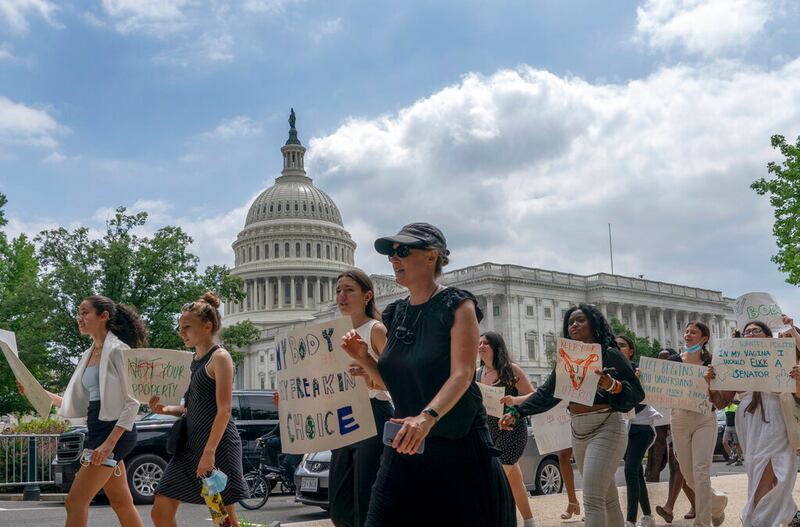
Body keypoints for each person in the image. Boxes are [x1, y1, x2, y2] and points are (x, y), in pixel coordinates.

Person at [346, 223, 515, 527]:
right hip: (405, 442)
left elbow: (462, 374)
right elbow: (396, 383)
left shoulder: (457, 305)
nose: (394, 259)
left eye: (403, 251)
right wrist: (366, 361)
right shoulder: (395, 313)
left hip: (455, 442)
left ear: (431, 256)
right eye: (391, 254)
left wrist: (427, 417)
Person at [500, 303, 645, 527]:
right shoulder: (567, 360)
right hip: (578, 430)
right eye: (570, 322)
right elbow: (547, 394)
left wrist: (612, 385)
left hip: (607, 427)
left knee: (592, 496)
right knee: (608, 497)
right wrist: (518, 412)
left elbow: (636, 392)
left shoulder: (610, 354)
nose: (574, 325)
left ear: (594, 324)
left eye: (580, 320)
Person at [16, 296, 146, 527]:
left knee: (75, 501)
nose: (80, 318)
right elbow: (73, 400)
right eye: (79, 313)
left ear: (104, 316)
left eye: (85, 312)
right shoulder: (89, 354)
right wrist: (34, 391)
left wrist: (109, 445)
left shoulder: (118, 350)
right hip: (99, 431)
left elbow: (133, 402)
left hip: (114, 433)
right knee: (121, 503)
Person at [149, 292, 248, 527]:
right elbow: (192, 408)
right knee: (160, 511)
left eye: (186, 327)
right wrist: (165, 409)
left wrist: (209, 453)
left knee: (223, 520)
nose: (181, 332)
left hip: (217, 448)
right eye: (180, 327)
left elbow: (224, 410)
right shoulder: (194, 360)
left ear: (207, 326)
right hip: (189, 448)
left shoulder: (220, 357)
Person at [706, 318, 800, 527]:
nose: (751, 334)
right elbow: (722, 401)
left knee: (773, 468)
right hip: (749, 421)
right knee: (758, 470)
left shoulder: (782, 358)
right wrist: (711, 384)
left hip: (777, 418)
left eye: (756, 330)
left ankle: (755, 520)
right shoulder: (736, 361)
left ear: (768, 336)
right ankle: (779, 515)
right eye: (747, 332)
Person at [328, 269, 395, 527]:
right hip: (345, 415)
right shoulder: (335, 334)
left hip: (373, 412)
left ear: (367, 296)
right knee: (340, 504)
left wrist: (368, 375)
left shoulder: (375, 330)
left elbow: (394, 381)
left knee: (366, 497)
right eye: (338, 291)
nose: (342, 296)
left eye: (349, 290)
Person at [669, 320, 729, 527]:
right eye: (686, 331)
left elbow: (720, 400)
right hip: (679, 418)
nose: (687, 335)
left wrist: (712, 383)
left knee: (701, 471)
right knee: (688, 474)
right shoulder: (674, 361)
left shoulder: (713, 363)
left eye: (693, 332)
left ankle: (702, 522)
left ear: (704, 338)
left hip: (704, 418)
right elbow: (662, 389)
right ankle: (718, 502)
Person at [477, 331, 536, 527]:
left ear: (496, 347)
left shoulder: (510, 370)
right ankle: (530, 521)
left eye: (486, 343)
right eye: (479, 343)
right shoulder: (477, 373)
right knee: (514, 482)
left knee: (495, 479)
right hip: (489, 433)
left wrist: (515, 400)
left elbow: (533, 395)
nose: (481, 346)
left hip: (512, 431)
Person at [616, 334, 659, 527]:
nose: (618, 349)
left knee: (630, 468)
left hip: (642, 427)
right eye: (615, 346)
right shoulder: (612, 374)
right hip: (625, 427)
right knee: (636, 472)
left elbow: (641, 402)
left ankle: (630, 520)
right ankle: (648, 516)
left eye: (622, 345)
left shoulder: (638, 371)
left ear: (631, 351)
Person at [654, 348, 696, 524]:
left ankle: (670, 506)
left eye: (666, 359)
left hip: (685, 426)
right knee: (680, 468)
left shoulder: (685, 378)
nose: (663, 363)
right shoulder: (657, 380)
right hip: (666, 427)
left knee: (680, 467)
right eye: (660, 360)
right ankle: (697, 504)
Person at [722, 400, 742, 466]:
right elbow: (726, 418)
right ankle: (732, 456)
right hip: (728, 427)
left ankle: (739, 459)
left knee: (737, 443)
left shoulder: (736, 407)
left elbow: (739, 418)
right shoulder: (725, 408)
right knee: (724, 442)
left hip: (735, 426)